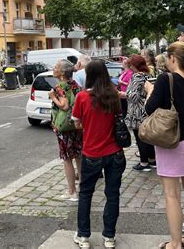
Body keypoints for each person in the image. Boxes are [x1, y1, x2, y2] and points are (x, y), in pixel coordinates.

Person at [144, 42, 184, 249]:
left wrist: (149, 90)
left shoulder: (165, 79)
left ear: (172, 58)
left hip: (170, 143)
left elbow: (149, 109)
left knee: (172, 195)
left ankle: (175, 243)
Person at [72, 60, 125, 249]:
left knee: (86, 194)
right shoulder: (114, 95)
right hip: (115, 153)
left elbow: (77, 124)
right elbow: (119, 118)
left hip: (92, 152)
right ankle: (109, 237)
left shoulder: (82, 97)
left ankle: (84, 236)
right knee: (112, 195)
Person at [49, 59, 82, 202]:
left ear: (62, 73)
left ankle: (72, 192)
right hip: (76, 125)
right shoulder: (76, 85)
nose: (53, 68)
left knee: (67, 159)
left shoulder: (60, 87)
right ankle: (82, 189)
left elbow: (64, 105)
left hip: (64, 128)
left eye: (56, 67)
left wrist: (52, 97)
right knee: (79, 157)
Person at [125, 54, 156, 171]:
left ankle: (144, 163)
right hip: (148, 109)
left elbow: (133, 96)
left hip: (137, 112)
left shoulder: (137, 77)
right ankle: (153, 160)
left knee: (140, 138)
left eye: (130, 65)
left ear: (134, 65)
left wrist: (123, 94)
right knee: (149, 137)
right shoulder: (150, 74)